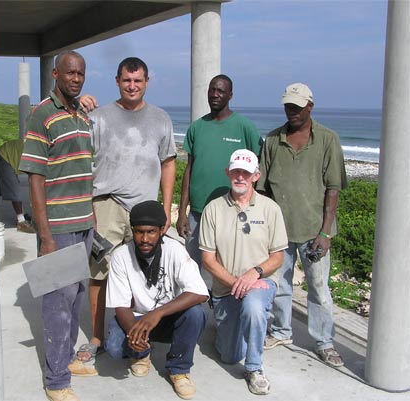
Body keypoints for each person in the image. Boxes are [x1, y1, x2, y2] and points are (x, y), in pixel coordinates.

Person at [73, 57, 177, 373]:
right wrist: (78, 105)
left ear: (147, 82)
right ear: (117, 81)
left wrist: (166, 207)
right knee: (98, 272)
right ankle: (96, 337)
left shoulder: (160, 118)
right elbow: (76, 154)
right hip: (105, 205)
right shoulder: (99, 117)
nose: (132, 86)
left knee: (140, 275)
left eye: (138, 81)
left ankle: (138, 344)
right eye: (127, 80)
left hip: (145, 210)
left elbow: (168, 163)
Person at [18, 50, 94, 401]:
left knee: (76, 295)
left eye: (80, 74)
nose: (75, 79)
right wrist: (44, 236)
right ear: (55, 74)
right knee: (57, 302)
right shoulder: (42, 114)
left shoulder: (81, 112)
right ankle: (56, 381)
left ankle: (64, 359)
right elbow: (34, 177)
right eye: (69, 73)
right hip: (58, 227)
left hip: (84, 222)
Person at [256, 83, 347, 368]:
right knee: (279, 284)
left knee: (318, 289)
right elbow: (263, 189)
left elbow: (333, 188)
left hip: (314, 232)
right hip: (279, 234)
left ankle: (324, 341)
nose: (292, 111)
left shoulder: (327, 139)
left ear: (310, 106)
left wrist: (324, 232)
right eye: (288, 106)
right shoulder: (273, 140)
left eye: (297, 106)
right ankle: (282, 331)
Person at [199, 149, 288, 395]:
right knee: (229, 355)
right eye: (236, 171)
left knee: (254, 307)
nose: (241, 177)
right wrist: (237, 282)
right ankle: (233, 330)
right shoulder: (213, 209)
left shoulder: (271, 209)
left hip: (260, 283)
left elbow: (278, 256)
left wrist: (255, 273)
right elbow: (207, 259)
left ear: (256, 176)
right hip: (226, 288)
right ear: (228, 172)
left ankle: (254, 368)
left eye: (246, 173)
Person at [105, 200, 208, 400]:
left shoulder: (175, 249)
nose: (144, 239)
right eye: (138, 232)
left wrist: (157, 313)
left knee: (196, 314)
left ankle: (179, 369)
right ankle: (141, 354)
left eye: (151, 232)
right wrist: (135, 335)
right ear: (132, 230)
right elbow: (121, 305)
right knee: (115, 347)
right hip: (137, 319)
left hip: (168, 317)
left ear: (161, 230)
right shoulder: (120, 256)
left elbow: (200, 292)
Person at [176, 74, 263, 269]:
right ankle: (199, 301)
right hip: (197, 214)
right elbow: (189, 170)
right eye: (212, 90)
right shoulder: (196, 127)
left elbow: (258, 167)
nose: (215, 94)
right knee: (194, 270)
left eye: (221, 91)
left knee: (229, 268)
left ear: (230, 95)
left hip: (231, 212)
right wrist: (183, 211)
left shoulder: (244, 127)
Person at [0, 138, 36, 233]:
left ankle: (23, 215)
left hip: (13, 153)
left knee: (17, 188)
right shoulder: (38, 155)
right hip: (4, 155)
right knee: (14, 189)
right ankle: (21, 222)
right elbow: (34, 184)